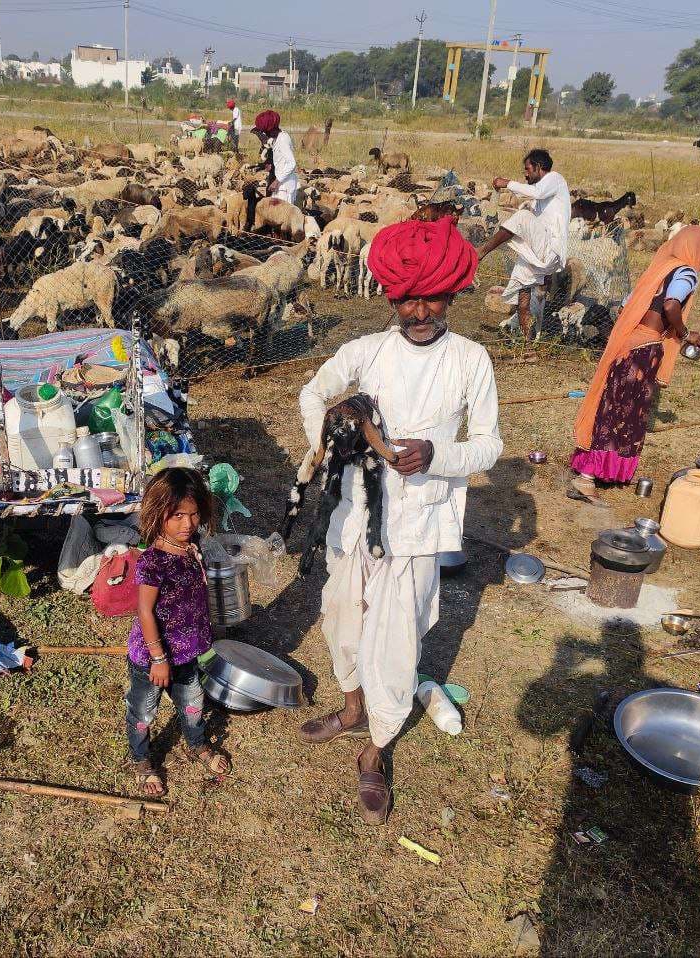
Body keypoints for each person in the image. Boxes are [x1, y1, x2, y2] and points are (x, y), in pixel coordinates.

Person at [297, 217, 502, 824]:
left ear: (451, 295)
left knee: (396, 639)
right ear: (392, 297)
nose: (420, 310)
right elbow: (314, 396)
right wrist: (334, 437)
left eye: (431, 296)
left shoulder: (470, 360)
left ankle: (374, 748)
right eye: (408, 298)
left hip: (420, 526)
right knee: (341, 619)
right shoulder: (367, 352)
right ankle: (353, 706)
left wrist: (439, 456)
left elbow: (488, 446)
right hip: (356, 515)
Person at [567, 226, 700, 503]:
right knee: (623, 412)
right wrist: (683, 333)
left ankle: (590, 472)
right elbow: (670, 306)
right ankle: (588, 479)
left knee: (609, 404)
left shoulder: (659, 268)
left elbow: (625, 305)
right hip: (644, 349)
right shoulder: (685, 273)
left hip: (627, 342)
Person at [125, 467, 231, 797]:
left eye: (194, 514)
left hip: (188, 652)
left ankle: (196, 744)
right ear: (159, 515)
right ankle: (142, 759)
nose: (188, 524)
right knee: (144, 710)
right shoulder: (154, 562)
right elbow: (145, 611)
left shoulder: (192, 546)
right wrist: (158, 658)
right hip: (154, 657)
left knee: (193, 703)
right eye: (177, 516)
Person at [475, 148, 569, 341]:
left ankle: (481, 252)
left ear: (539, 167)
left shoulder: (555, 179)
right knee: (522, 292)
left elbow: (538, 192)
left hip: (550, 247)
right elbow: (536, 202)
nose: (525, 174)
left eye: (528, 169)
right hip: (537, 252)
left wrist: (507, 183)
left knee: (522, 217)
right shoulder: (539, 200)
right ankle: (528, 341)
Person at [252, 109, 298, 204]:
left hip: (285, 187)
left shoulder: (283, 139)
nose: (263, 134)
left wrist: (277, 181)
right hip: (281, 185)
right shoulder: (277, 139)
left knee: (282, 217)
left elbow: (292, 163)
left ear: (268, 130)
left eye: (263, 131)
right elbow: (281, 160)